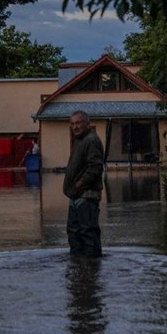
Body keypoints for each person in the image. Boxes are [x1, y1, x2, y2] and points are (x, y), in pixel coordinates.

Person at [64, 110, 104, 257]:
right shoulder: (80, 140)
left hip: (87, 196)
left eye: (78, 123)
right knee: (74, 233)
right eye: (72, 124)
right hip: (75, 197)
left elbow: (95, 167)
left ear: (87, 123)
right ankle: (77, 268)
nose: (75, 127)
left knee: (88, 234)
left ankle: (92, 269)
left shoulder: (91, 140)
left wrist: (79, 184)